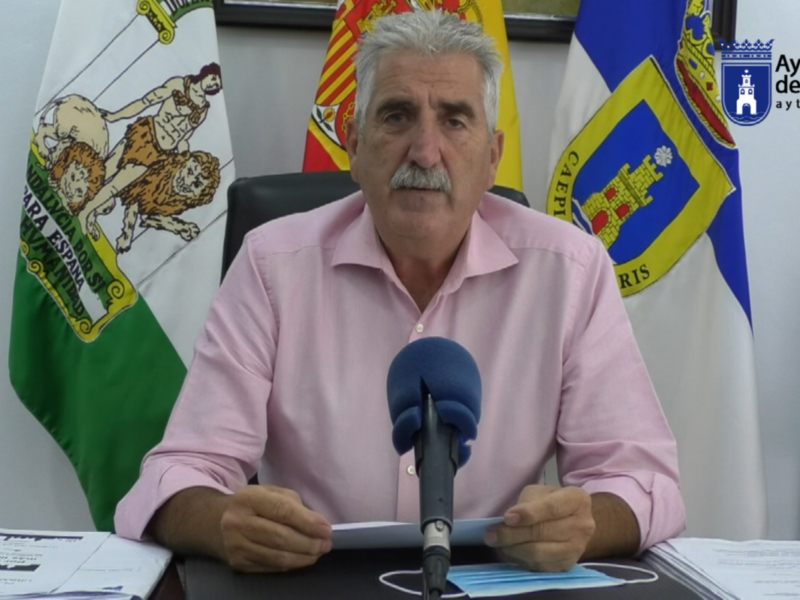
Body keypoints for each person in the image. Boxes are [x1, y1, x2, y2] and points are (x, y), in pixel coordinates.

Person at [115, 10, 685, 574]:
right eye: (397, 116)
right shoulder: (272, 267)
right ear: (354, 145)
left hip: (492, 580)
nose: (425, 151)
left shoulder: (570, 271)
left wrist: (584, 526)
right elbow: (180, 472)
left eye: (455, 121)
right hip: (313, 584)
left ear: (492, 157)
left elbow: (642, 482)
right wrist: (222, 522)